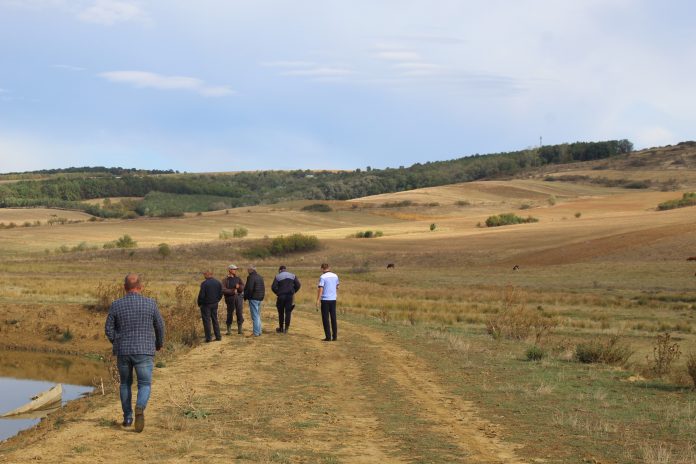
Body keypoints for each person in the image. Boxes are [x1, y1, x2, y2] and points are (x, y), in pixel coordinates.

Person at [105, 273, 165, 432]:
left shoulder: (116, 305)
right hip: (145, 350)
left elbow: (108, 329)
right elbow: (160, 327)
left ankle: (128, 417)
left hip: (123, 351)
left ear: (124, 287)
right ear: (141, 286)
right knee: (144, 384)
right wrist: (158, 344)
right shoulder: (151, 303)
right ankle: (140, 407)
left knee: (125, 384)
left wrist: (117, 342)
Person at [271, 265, 301, 333]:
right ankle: (286, 329)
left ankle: (281, 328)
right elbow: (298, 285)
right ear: (285, 269)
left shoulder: (278, 276)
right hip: (290, 296)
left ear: (280, 270)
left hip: (281, 296)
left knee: (281, 312)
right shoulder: (293, 275)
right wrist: (293, 291)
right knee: (288, 312)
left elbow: (273, 287)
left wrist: (278, 293)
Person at [197, 269, 223, 342]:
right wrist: (217, 300)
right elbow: (221, 293)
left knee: (207, 321)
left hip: (206, 305)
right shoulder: (218, 282)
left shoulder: (204, 284)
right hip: (215, 304)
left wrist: (200, 303)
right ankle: (218, 336)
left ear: (208, 274)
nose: (204, 276)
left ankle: (208, 338)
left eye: (204, 274)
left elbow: (201, 295)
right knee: (215, 320)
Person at [315, 263, 339, 341]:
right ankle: (335, 337)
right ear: (329, 267)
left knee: (325, 318)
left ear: (322, 269)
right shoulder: (335, 275)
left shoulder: (322, 277)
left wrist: (318, 300)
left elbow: (321, 289)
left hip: (325, 300)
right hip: (333, 299)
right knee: (333, 318)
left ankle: (328, 337)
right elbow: (337, 286)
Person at [222, 264, 245, 335]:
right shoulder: (225, 280)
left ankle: (240, 330)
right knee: (230, 313)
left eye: (235, 269)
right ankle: (229, 330)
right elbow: (223, 290)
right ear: (229, 270)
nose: (235, 270)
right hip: (230, 299)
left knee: (239, 313)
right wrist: (232, 291)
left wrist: (239, 287)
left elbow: (243, 286)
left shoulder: (238, 278)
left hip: (238, 298)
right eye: (234, 269)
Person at [243, 265, 265, 337]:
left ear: (251, 270)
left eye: (248, 270)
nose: (247, 271)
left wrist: (245, 297)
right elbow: (263, 288)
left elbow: (249, 288)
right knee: (258, 315)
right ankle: (259, 331)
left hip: (253, 298)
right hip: (260, 298)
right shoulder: (260, 277)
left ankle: (255, 333)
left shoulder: (250, 277)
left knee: (255, 316)